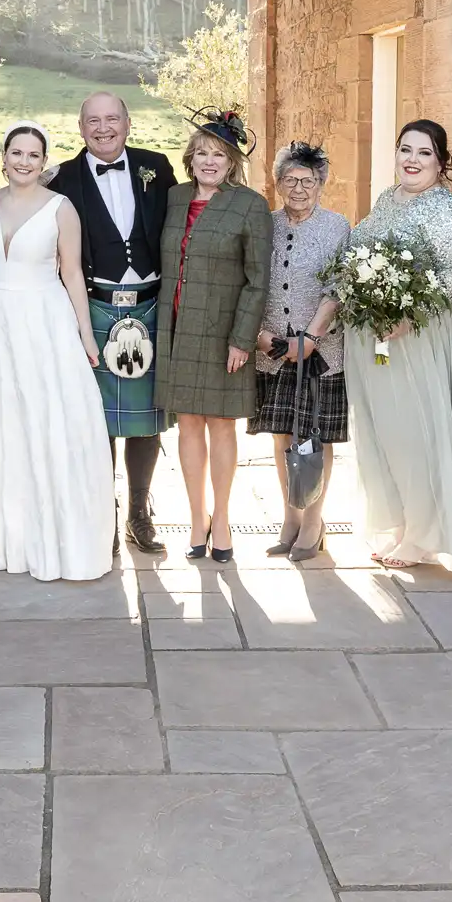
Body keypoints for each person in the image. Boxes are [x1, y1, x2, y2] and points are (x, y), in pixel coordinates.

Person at [0, 121, 115, 581]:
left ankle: (53, 538)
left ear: (44, 162)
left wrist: (85, 334)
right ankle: (1, 535)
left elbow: (74, 274)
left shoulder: (61, 208)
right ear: (3, 158)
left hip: (44, 321)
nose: (23, 161)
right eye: (16, 153)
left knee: (45, 422)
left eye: (33, 155)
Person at [343, 122, 452, 575]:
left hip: (427, 334)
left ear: (441, 162)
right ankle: (403, 521)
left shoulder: (446, 209)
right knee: (391, 429)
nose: (413, 159)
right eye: (406, 149)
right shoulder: (387, 198)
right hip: (384, 337)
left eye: (424, 153)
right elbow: (361, 249)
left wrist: (410, 311)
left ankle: (426, 535)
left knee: (422, 427)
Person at [44, 91, 179, 555]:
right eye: (94, 121)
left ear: (128, 123)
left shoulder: (155, 166)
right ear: (80, 128)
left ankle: (139, 514)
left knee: (146, 420)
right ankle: (104, 513)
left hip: (149, 302)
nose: (104, 128)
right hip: (94, 306)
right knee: (94, 417)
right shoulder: (59, 179)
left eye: (113, 119)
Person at [156, 110, 271, 564]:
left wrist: (243, 338)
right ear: (190, 157)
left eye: (218, 154)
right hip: (177, 327)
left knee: (222, 424)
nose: (208, 161)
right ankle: (195, 518)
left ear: (232, 161)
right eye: (201, 152)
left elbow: (257, 279)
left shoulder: (249, 204)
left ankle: (222, 518)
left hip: (224, 332)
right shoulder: (173, 197)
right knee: (187, 423)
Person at [251, 141, 350, 563]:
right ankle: (291, 518)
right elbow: (248, 282)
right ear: (277, 183)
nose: (298, 188)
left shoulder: (338, 226)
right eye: (289, 180)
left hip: (321, 351)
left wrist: (309, 337)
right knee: (281, 436)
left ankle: (314, 523)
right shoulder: (264, 224)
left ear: (321, 184)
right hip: (270, 349)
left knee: (317, 436)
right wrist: (260, 335)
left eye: (308, 181)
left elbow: (338, 289)